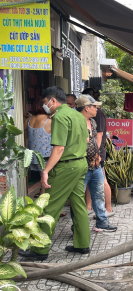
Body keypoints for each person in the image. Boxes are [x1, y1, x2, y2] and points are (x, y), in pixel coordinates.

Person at [19, 86, 90, 260]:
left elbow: (59, 148)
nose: (45, 106)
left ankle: (39, 250)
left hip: (65, 167)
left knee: (50, 207)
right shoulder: (78, 115)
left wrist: (46, 171)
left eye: (45, 102)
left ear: (53, 100)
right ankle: (82, 245)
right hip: (80, 163)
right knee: (78, 204)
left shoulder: (59, 117)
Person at [73, 95, 117, 232]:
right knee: (78, 198)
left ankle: (102, 221)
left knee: (98, 194)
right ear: (86, 108)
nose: (97, 109)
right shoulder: (76, 122)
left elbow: (94, 141)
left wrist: (96, 157)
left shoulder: (92, 122)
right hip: (82, 166)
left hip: (95, 164)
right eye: (94, 106)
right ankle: (77, 226)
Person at [26, 100, 53, 198]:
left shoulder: (30, 120)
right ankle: (43, 205)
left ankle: (42, 199)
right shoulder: (49, 121)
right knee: (48, 181)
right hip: (46, 156)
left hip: (33, 156)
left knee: (43, 179)